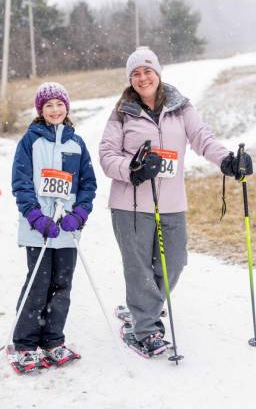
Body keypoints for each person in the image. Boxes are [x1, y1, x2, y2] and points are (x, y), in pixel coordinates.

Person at [99, 47, 252, 356]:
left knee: (175, 263)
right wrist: (132, 169)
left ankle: (143, 307)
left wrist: (227, 161)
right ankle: (145, 330)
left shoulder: (181, 108)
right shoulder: (122, 112)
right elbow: (106, 155)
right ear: (130, 79)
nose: (143, 78)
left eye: (147, 71)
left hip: (171, 203)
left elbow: (202, 138)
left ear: (158, 73)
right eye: (136, 73)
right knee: (139, 268)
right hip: (130, 205)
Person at [12, 82, 97, 368]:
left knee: (62, 284)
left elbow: (88, 184)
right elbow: (21, 184)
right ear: (40, 110)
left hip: (66, 229)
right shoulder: (30, 141)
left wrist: (80, 214)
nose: (55, 109)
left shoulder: (76, 143)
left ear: (67, 107)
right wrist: (35, 216)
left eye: (59, 104)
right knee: (38, 283)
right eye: (48, 105)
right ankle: (25, 343)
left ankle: (53, 340)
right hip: (38, 228)